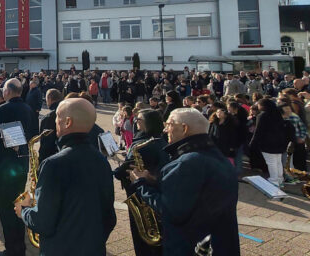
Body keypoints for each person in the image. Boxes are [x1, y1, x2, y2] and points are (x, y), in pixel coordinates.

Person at [131, 108, 240, 255]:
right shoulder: (218, 157)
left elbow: (170, 211)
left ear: (184, 128)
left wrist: (141, 184)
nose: (165, 129)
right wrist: (156, 181)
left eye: (169, 124)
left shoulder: (186, 163)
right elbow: (197, 193)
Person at [15, 98, 116, 255]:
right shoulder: (102, 161)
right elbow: (110, 218)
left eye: (57, 117)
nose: (55, 122)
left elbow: (43, 222)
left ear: (67, 122)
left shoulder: (53, 164)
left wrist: (24, 210)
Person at [0, 78, 36, 256]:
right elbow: (33, 134)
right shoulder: (28, 109)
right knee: (18, 204)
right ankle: (20, 247)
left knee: (6, 208)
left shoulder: (2, 109)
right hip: (22, 162)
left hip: (5, 165)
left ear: (7, 92)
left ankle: (12, 250)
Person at [113, 109, 168, 256]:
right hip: (152, 192)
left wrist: (116, 171)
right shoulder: (161, 140)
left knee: (142, 239)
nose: (136, 122)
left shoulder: (144, 145)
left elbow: (122, 171)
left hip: (142, 195)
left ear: (147, 124)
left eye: (139, 120)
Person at [250, 99, 291, 187]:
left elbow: (258, 131)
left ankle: (274, 180)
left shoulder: (262, 115)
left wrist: (253, 143)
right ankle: (280, 179)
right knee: (278, 161)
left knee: (271, 162)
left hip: (268, 143)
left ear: (263, 106)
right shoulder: (277, 114)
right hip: (279, 142)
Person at [38, 89, 63, 162]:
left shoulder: (48, 118)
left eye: (46, 99)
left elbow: (45, 144)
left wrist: (41, 161)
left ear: (49, 98)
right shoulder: (66, 111)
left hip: (51, 158)